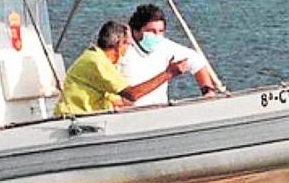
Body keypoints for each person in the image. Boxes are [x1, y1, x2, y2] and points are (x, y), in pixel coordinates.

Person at [54, 21, 189, 117]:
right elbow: (132, 94)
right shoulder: (97, 61)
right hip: (74, 118)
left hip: (85, 118)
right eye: (128, 45)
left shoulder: (99, 59)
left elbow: (122, 101)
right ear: (119, 44)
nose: (128, 50)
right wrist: (169, 73)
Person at [116, 3, 220, 108]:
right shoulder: (121, 50)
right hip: (129, 112)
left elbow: (196, 61)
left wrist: (207, 91)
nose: (157, 36)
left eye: (161, 31)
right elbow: (128, 94)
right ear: (136, 31)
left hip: (160, 110)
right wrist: (169, 73)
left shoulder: (164, 45)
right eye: (151, 31)